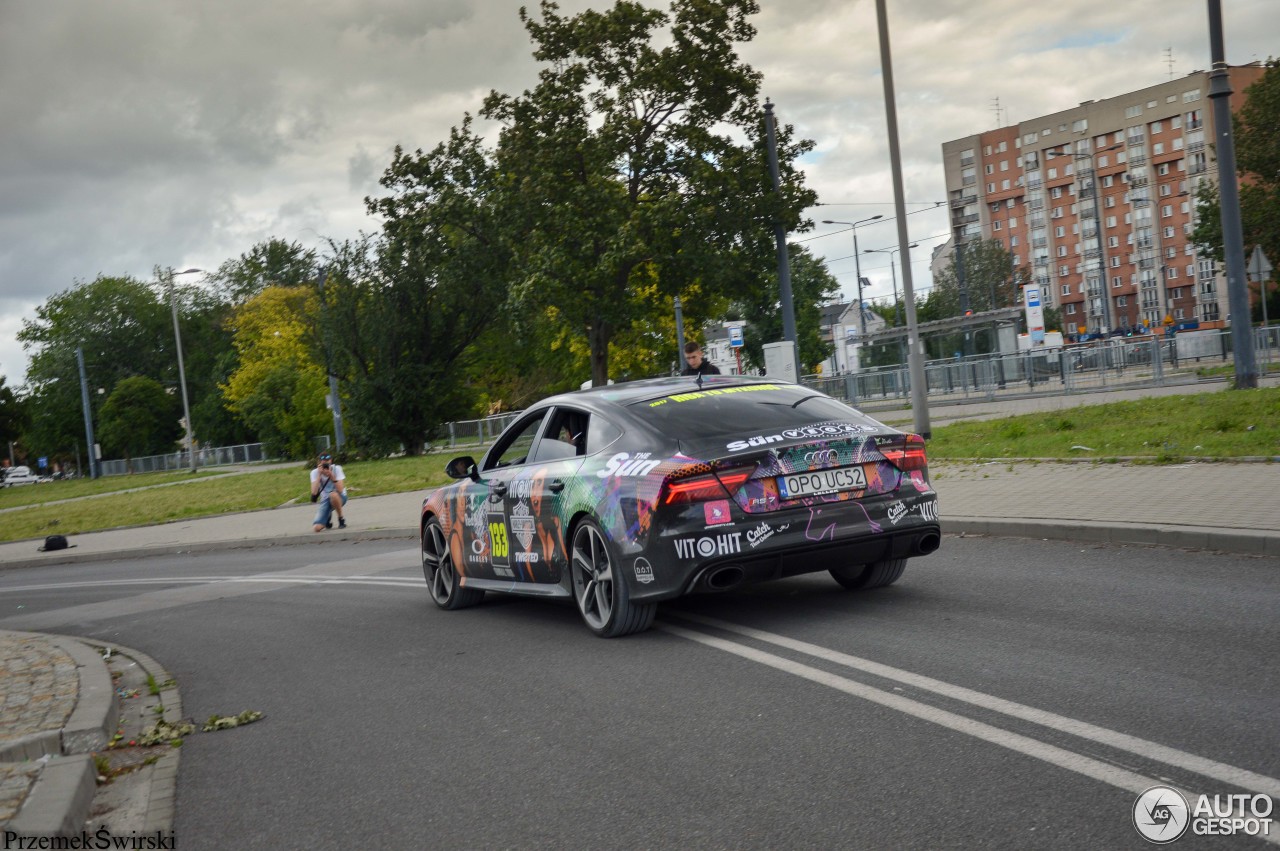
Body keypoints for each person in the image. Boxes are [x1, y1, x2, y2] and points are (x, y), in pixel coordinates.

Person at [310, 453, 348, 532]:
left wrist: (331, 475)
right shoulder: (314, 472)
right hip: (325, 500)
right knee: (316, 528)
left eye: (327, 461)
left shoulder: (337, 469)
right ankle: (327, 518)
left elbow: (340, 490)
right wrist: (319, 475)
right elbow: (314, 492)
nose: (326, 464)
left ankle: (341, 519)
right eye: (323, 462)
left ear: (331, 461)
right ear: (319, 463)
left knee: (333, 494)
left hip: (340, 497)